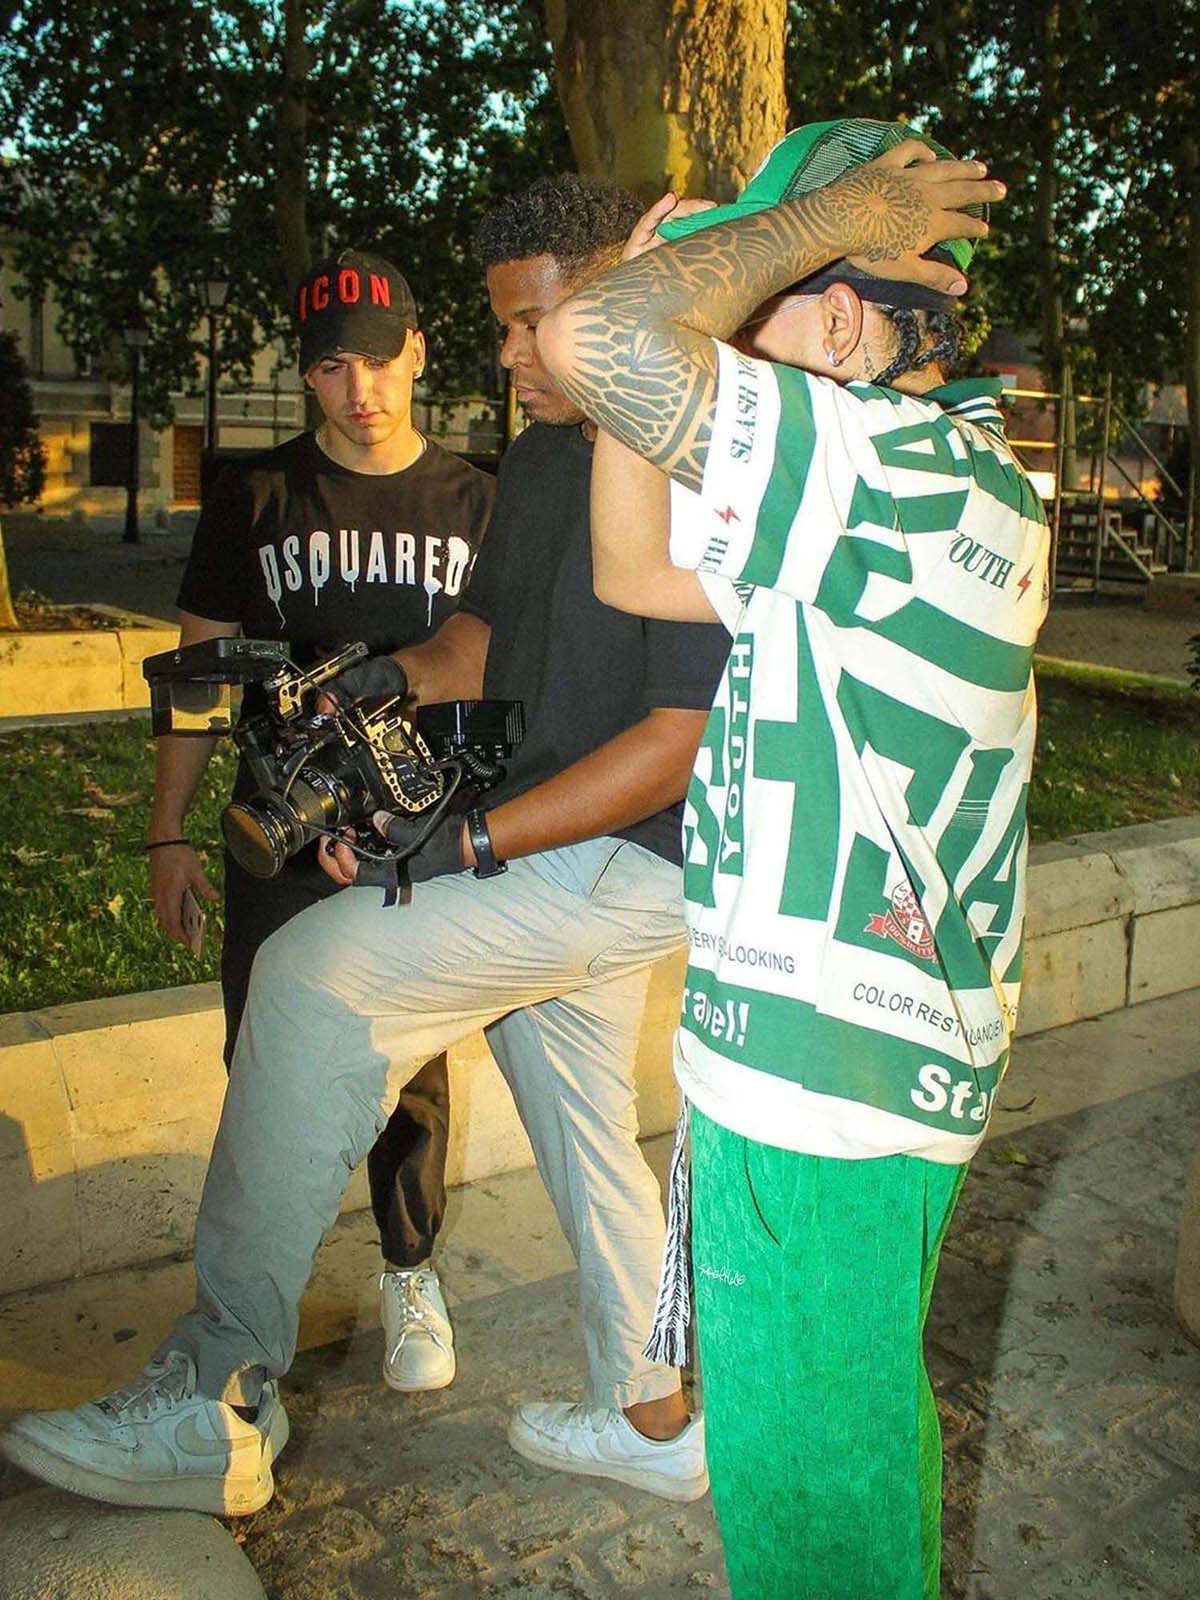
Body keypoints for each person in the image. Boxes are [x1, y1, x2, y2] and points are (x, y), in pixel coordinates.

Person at [2, 176, 730, 1517]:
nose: (509, 354)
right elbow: (486, 639)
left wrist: (463, 846)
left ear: (619, 304)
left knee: (312, 978)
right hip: (563, 835)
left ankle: (212, 1398)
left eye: (532, 323)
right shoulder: (546, 454)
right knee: (578, 1105)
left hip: (634, 851)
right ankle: (653, 1417)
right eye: (501, 326)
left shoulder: (697, 454)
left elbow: (674, 745)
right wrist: (387, 681)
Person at [537, 119, 1041, 1599]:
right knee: (831, 1458)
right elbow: (636, 571)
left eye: (748, 299)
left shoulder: (899, 473)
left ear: (839, 313)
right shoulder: (900, 490)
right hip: (828, 1067)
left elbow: (593, 341)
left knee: (819, 1516)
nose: (712, 333)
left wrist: (821, 222)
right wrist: (659, 325)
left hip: (830, 1091)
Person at [146, 248, 494, 1395]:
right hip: (281, 829)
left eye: (380, 361)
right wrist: (167, 831)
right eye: (334, 367)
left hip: (415, 834)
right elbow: (195, 680)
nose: (361, 388)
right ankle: (248, 1316)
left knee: (412, 1068)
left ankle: (409, 1268)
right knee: (264, 1068)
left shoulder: (477, 501)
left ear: (419, 352)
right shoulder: (254, 497)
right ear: (304, 374)